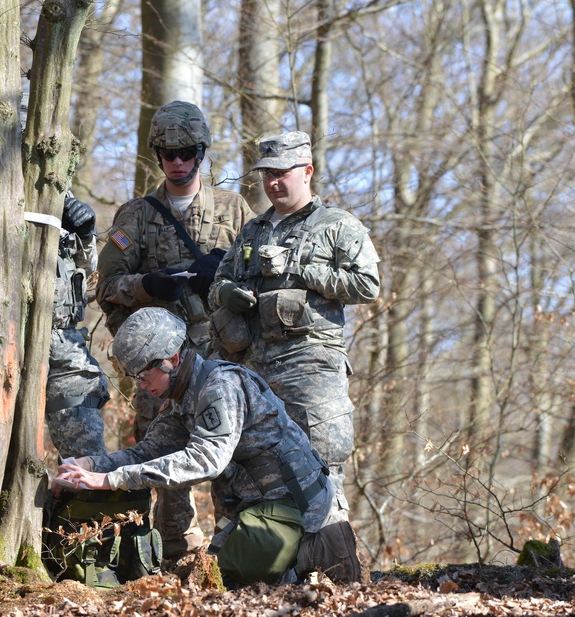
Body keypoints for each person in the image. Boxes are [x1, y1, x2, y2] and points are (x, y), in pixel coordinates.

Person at [55, 307, 368, 586]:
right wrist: (92, 466)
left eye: (143, 373)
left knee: (230, 576)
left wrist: (114, 479)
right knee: (210, 580)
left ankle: (315, 548)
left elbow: (207, 459)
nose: (140, 384)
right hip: (253, 506)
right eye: (134, 376)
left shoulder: (220, 386)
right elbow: (148, 452)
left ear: (172, 359)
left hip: (295, 503)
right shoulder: (180, 397)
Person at [96, 101, 255, 559]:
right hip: (160, 365)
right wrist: (146, 285)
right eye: (169, 155)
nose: (179, 163)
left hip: (223, 357)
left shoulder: (233, 211)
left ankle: (237, 550)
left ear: (202, 152)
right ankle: (175, 556)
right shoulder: (136, 215)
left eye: (188, 152)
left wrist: (221, 277)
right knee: (161, 454)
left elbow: (257, 283)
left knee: (233, 452)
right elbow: (105, 287)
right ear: (157, 156)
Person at [209, 131, 380, 517]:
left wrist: (300, 267)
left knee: (321, 464)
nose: (272, 183)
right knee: (247, 468)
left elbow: (367, 285)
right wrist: (226, 295)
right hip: (253, 367)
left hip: (310, 365)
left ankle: (329, 567)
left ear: (307, 171)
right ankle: (257, 565)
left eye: (281, 173)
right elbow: (217, 283)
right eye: (266, 174)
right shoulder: (252, 230)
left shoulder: (337, 225)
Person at [0, 191, 110, 458]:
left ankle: (81, 495)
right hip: (4, 341)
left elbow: (88, 273)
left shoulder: (66, 199)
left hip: (64, 343)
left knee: (88, 450)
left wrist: (85, 234)